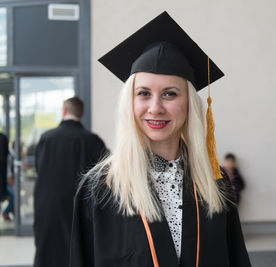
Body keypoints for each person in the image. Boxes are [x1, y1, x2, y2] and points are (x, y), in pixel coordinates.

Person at [70, 12, 251, 267]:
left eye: (169, 94)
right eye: (143, 93)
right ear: (129, 103)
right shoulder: (100, 188)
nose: (155, 108)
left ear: (189, 103)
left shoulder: (213, 180)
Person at [34, 97, 107, 267]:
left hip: (48, 205)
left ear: (64, 111)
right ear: (81, 114)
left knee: (48, 250)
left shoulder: (46, 138)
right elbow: (104, 176)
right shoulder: (92, 140)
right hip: (78, 206)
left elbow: (39, 168)